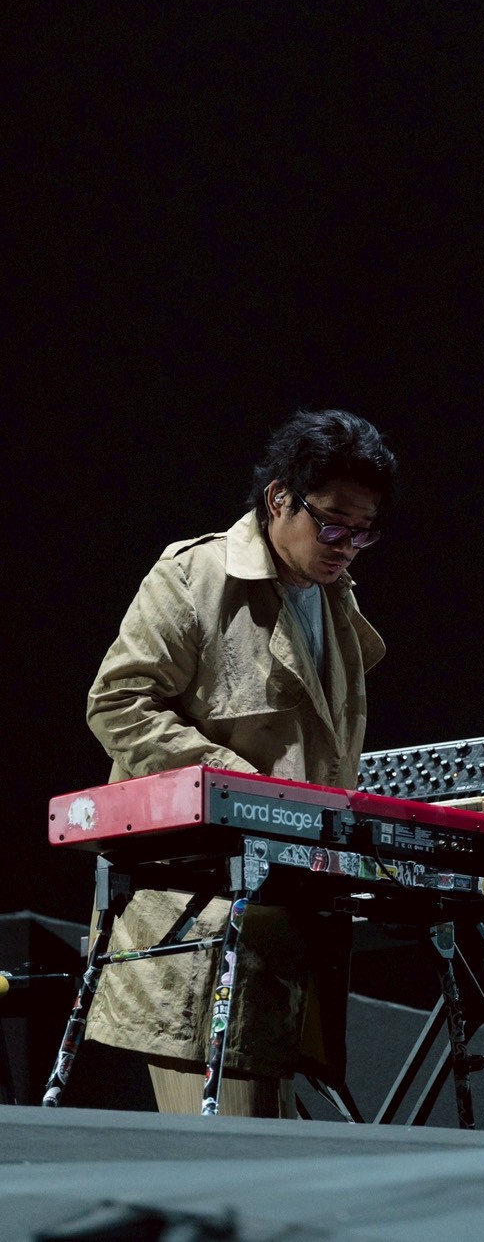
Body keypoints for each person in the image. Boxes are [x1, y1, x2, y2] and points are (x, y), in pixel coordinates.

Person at [84, 408, 397, 1117]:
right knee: (224, 1153)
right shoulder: (194, 576)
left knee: (272, 1151)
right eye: (333, 525)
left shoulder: (335, 602)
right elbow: (118, 702)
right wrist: (237, 786)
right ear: (280, 498)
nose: (348, 547)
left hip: (289, 910)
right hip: (196, 916)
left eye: (364, 532)